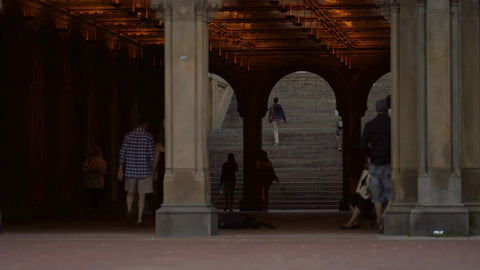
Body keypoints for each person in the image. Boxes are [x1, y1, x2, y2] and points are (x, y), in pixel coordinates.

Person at [360, 99, 391, 233]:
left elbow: (362, 146)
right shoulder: (392, 124)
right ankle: (385, 216)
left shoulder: (370, 125)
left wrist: (369, 155)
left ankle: (380, 220)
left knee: (377, 196)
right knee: (392, 194)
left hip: (375, 163)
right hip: (390, 163)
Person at [117, 120, 155, 227]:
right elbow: (152, 156)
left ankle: (129, 211)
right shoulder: (148, 137)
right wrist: (154, 170)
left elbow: (122, 153)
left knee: (130, 193)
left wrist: (120, 169)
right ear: (145, 125)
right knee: (141, 196)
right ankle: (139, 220)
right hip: (144, 171)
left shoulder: (128, 137)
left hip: (130, 170)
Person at [82, 146, 108, 216]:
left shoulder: (102, 161)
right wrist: (90, 170)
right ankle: (92, 211)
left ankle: (97, 211)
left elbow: (105, 171)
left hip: (98, 181)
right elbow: (84, 168)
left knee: (98, 196)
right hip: (91, 181)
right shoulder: (88, 160)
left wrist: (99, 171)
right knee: (91, 196)